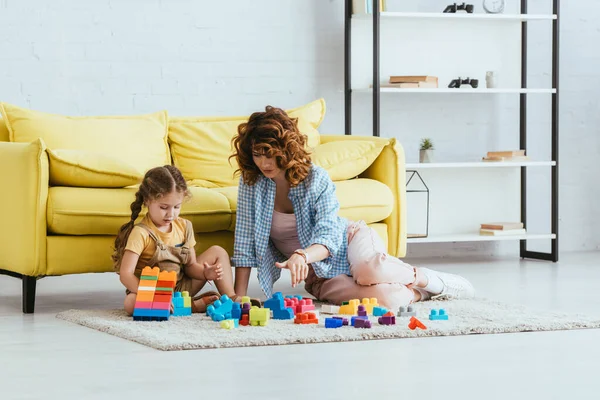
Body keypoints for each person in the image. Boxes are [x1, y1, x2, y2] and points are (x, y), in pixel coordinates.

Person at [230, 106, 475, 311]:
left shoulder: (316, 178)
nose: (264, 162)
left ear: (286, 149)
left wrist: (302, 255)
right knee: (387, 300)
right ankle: (419, 293)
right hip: (320, 274)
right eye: (257, 154)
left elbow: (328, 235)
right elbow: (244, 240)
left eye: (270, 154)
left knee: (370, 270)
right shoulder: (252, 183)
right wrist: (239, 297)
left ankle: (429, 279)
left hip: (349, 240)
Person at [112, 165, 241, 315]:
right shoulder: (141, 233)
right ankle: (192, 306)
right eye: (164, 207)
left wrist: (206, 273)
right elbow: (125, 274)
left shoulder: (185, 226)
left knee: (218, 251)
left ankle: (230, 299)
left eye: (176, 207)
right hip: (151, 290)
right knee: (130, 303)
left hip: (182, 287)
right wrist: (152, 295)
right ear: (147, 200)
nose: (170, 214)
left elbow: (191, 266)